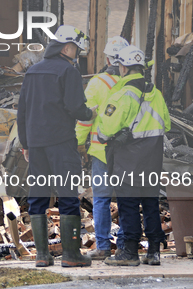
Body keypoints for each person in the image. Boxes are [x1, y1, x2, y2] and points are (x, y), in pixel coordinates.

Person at [17, 25, 96, 268]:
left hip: (37, 146)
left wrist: (26, 144)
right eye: (75, 48)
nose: (77, 53)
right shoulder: (68, 72)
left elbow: (22, 111)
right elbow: (75, 107)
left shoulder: (33, 72)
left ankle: (42, 256)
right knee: (68, 195)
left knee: (38, 198)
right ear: (66, 47)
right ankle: (71, 255)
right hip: (61, 143)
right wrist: (89, 114)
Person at [97, 45, 170, 266]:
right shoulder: (155, 93)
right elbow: (165, 123)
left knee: (128, 204)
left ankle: (129, 252)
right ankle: (154, 251)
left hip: (127, 159)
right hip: (152, 159)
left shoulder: (122, 94)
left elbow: (105, 129)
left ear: (123, 67)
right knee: (150, 203)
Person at [75, 36, 129, 260]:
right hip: (127, 151)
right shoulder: (135, 83)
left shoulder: (97, 83)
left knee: (101, 199)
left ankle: (104, 247)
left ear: (107, 58)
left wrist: (78, 143)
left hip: (100, 151)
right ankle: (126, 247)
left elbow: (85, 118)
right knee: (127, 199)